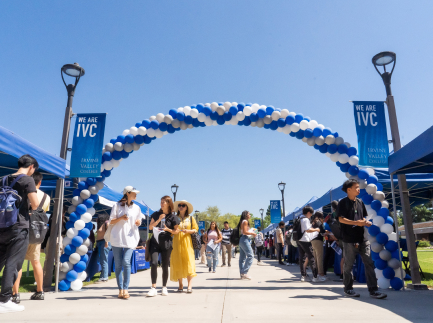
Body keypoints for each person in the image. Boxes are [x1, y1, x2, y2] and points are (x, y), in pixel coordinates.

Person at [0, 155, 39, 314]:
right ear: (31, 167)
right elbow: (35, 204)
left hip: (2, 226)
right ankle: (4, 300)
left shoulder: (3, 179)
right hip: (18, 227)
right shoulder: (27, 180)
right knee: (12, 263)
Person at [338, 179, 387, 299]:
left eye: (358, 187)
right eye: (356, 187)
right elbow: (340, 219)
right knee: (348, 265)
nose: (359, 189)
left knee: (369, 263)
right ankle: (348, 289)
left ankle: (373, 290)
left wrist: (366, 222)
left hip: (363, 238)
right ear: (348, 190)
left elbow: (363, 217)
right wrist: (356, 222)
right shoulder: (342, 203)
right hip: (349, 239)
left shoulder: (360, 202)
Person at [12, 172, 50, 302]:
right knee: (36, 262)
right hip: (37, 232)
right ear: (39, 182)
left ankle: (15, 294)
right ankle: (40, 291)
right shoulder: (46, 196)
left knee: (18, 263)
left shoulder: (23, 192)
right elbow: (43, 212)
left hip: (22, 229)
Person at [109, 186, 144, 299]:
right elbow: (111, 221)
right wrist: (121, 218)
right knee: (118, 265)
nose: (136, 195)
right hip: (117, 237)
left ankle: (126, 288)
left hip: (131, 238)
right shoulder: (117, 205)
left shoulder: (137, 208)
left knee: (126, 262)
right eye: (134, 193)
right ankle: (120, 290)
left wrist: (138, 222)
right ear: (128, 193)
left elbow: (139, 220)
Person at [147, 196, 179, 297]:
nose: (162, 204)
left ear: (169, 204)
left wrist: (167, 230)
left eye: (164, 202)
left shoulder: (173, 217)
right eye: (161, 202)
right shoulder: (156, 214)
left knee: (165, 265)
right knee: (154, 263)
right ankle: (153, 288)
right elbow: (150, 227)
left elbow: (176, 231)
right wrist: (159, 220)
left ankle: (164, 287)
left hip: (166, 243)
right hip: (155, 242)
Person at [170, 200, 198, 293]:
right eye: (179, 205)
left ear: (186, 208)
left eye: (183, 205)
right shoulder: (174, 217)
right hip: (177, 242)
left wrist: (188, 231)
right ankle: (180, 285)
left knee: (188, 262)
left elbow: (195, 229)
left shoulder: (191, 218)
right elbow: (170, 229)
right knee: (178, 261)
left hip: (187, 241)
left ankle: (189, 285)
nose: (181, 207)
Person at [297, 206, 325, 283]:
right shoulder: (305, 219)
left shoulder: (299, 218)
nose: (311, 216)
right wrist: (316, 229)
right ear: (308, 213)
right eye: (311, 214)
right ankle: (315, 277)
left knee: (302, 258)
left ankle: (304, 276)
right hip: (305, 240)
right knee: (311, 258)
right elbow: (308, 230)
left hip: (299, 240)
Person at [238, 210, 256, 280]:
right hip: (244, 239)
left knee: (242, 258)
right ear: (246, 215)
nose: (250, 215)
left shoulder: (242, 221)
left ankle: (242, 274)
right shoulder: (245, 221)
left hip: (242, 239)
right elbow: (245, 232)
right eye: (249, 214)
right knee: (251, 256)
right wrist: (253, 233)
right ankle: (244, 272)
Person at [310, 211, 327, 280]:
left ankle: (316, 273)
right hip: (318, 240)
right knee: (319, 257)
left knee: (315, 258)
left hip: (312, 241)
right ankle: (321, 273)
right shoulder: (318, 222)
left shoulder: (312, 222)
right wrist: (326, 232)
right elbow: (322, 231)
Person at [95, 212, 111, 283]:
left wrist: (106, 242)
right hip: (99, 242)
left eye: (98, 217)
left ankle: (105, 277)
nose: (96, 219)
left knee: (104, 260)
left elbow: (108, 233)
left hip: (104, 242)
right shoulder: (100, 225)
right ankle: (102, 276)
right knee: (102, 260)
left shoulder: (106, 223)